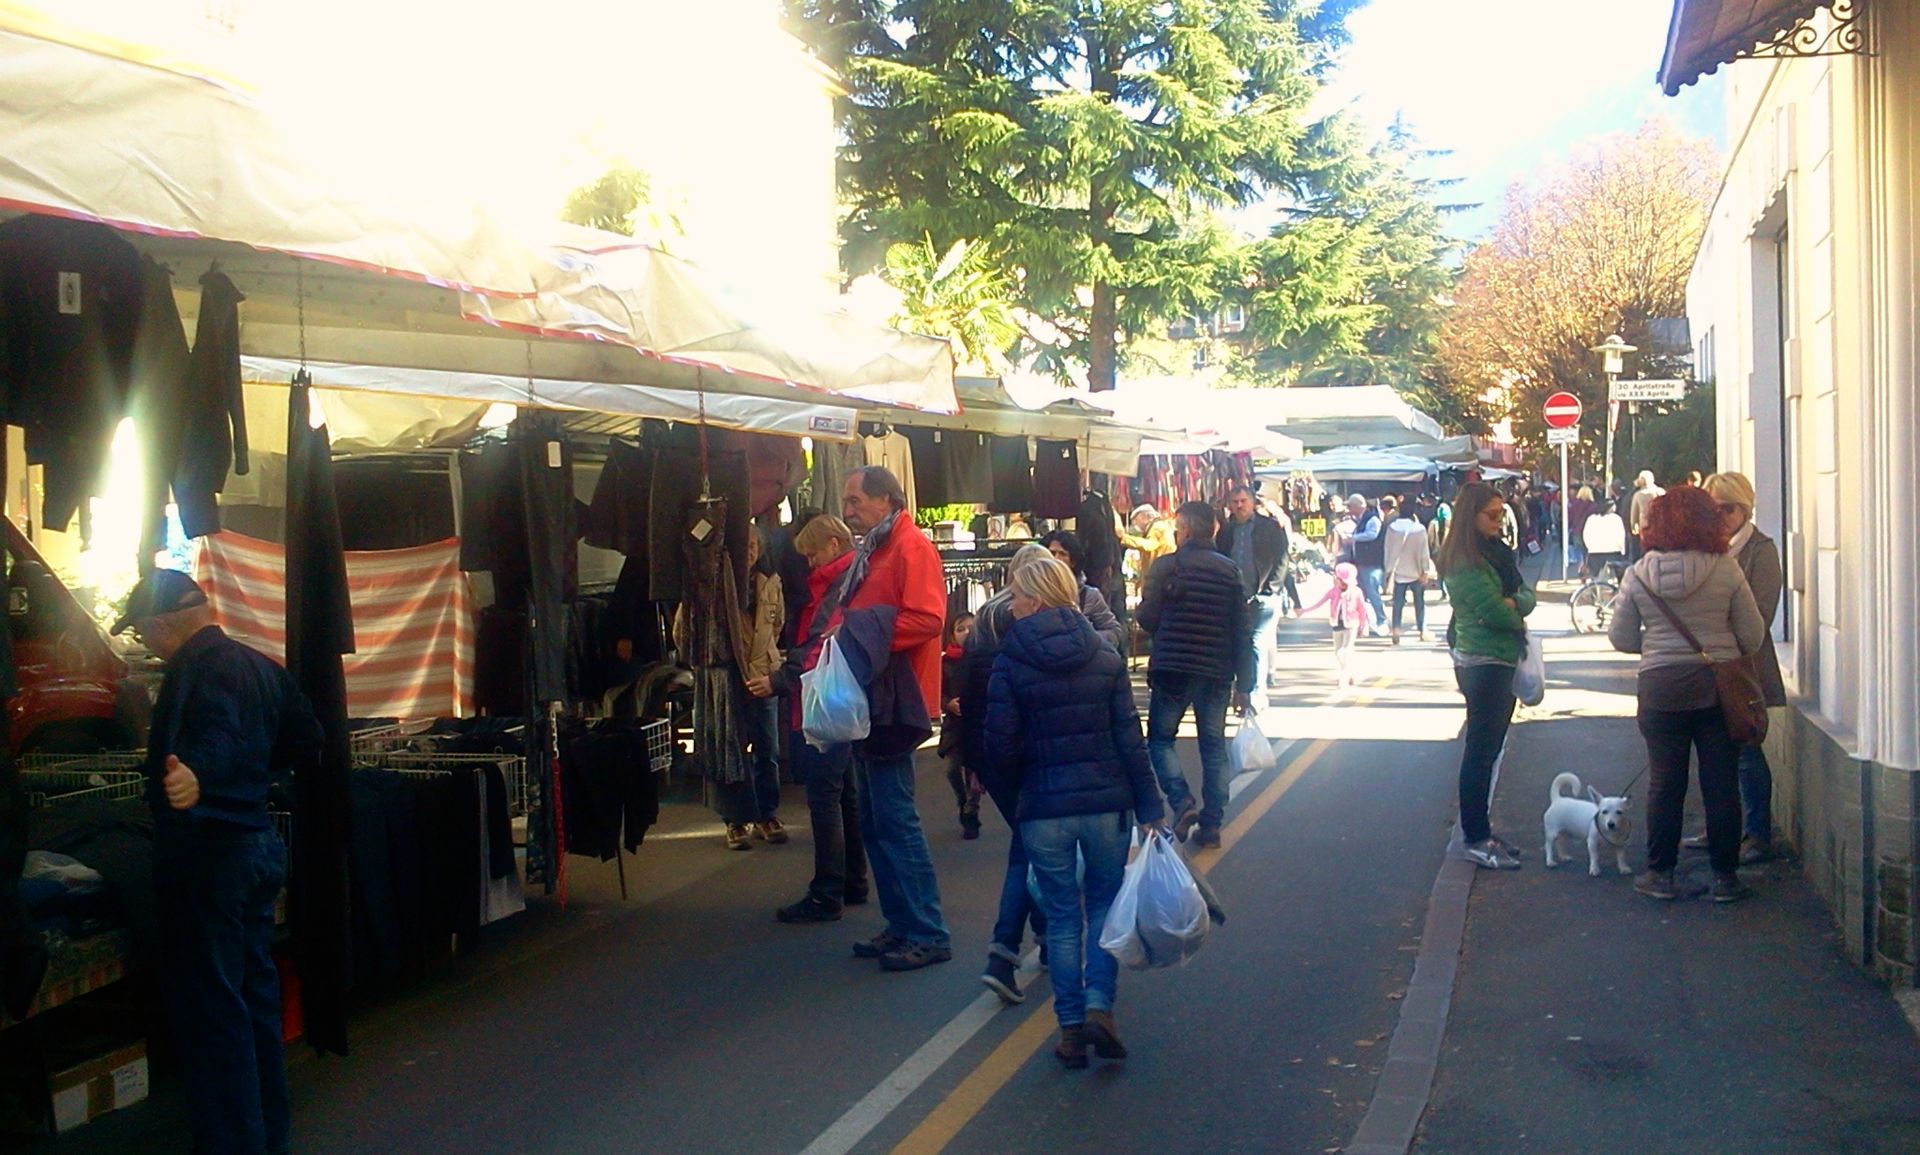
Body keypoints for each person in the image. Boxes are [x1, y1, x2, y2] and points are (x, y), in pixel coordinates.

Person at [111, 571, 322, 1155]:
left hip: (209, 855)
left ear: (158, 626)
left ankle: (234, 1144)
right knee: (252, 1001)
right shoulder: (260, 665)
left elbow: (221, 734)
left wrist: (199, 776)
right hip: (254, 844)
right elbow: (307, 739)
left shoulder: (201, 668)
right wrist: (251, 776)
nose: (147, 645)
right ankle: (265, 1133)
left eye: (143, 634)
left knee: (214, 1012)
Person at [982, 556, 1166, 1068]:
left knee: (1062, 918)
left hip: (1044, 807)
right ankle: (1099, 1008)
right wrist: (1150, 805)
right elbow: (1130, 737)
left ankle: (1068, 1030)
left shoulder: (1010, 661)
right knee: (1104, 906)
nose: (1011, 605)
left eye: (1017, 596)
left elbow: (998, 746)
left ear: (1036, 599)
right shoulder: (1104, 656)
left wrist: (1017, 797)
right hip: (1107, 803)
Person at [1608, 486, 1767, 904]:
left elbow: (1621, 637)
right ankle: (1725, 878)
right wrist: (1717, 647)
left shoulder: (1639, 574)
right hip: (1717, 690)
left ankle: (1660, 873)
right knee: (1720, 784)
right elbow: (1752, 636)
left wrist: (1659, 649)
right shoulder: (1727, 570)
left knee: (1665, 783)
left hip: (1661, 689)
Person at [835, 467, 952, 971]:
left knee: (894, 820)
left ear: (886, 499)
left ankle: (926, 931)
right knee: (876, 821)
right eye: (847, 501)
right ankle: (904, 924)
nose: (848, 509)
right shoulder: (880, 546)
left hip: (894, 701)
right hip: (875, 697)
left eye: (856, 500)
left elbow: (929, 619)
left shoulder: (910, 546)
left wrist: (857, 637)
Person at [759, 515, 869, 924]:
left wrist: (779, 680)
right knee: (845, 793)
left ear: (834, 544)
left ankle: (826, 892)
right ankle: (852, 880)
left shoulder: (837, 585)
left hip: (826, 697)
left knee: (825, 795)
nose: (808, 564)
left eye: (812, 553)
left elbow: (816, 642)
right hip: (843, 695)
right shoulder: (853, 577)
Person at [961, 544, 1054, 1002]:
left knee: (1029, 844)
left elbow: (972, 696)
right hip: (1029, 755)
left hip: (994, 752)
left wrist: (972, 758)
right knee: (1029, 848)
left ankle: (1042, 938)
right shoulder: (1029, 626)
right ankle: (1008, 951)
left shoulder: (983, 621)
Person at [1137, 501, 1253, 849]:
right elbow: (1241, 631)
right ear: (1214, 530)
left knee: (1160, 740)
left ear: (1184, 529)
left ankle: (1181, 800)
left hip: (1173, 666)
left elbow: (1147, 619)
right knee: (1213, 746)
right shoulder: (1229, 570)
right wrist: (1245, 684)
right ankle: (1212, 824)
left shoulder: (1166, 566)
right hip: (1216, 670)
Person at [1683, 472, 1785, 865]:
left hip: (1745, 667)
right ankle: (1721, 828)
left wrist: (1718, 624)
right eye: (1714, 509)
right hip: (1707, 664)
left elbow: (1761, 615)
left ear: (1744, 508)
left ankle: (1758, 834)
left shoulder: (1761, 550)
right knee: (1713, 753)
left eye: (1728, 508)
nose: (1720, 516)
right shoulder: (1706, 548)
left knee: (1746, 751)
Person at [1436, 482, 1535, 871]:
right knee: (1480, 752)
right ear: (1469, 517)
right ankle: (1475, 837)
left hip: (1499, 658)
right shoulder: (1464, 561)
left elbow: (1525, 596)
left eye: (1500, 513)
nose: (1499, 521)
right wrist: (1514, 607)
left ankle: (1482, 832)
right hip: (1482, 662)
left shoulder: (1495, 554)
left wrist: (1515, 603)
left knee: (1489, 751)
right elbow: (1499, 612)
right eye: (1491, 515)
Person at [1216, 483, 1289, 702]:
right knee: (1239, 644)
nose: (1239, 506)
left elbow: (1282, 558)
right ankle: (1243, 692)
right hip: (1235, 596)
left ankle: (1256, 696)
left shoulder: (1269, 526)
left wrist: (1271, 588)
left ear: (1252, 502)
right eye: (1235, 502)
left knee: (1256, 643)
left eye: (1243, 501)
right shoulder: (1226, 530)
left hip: (1262, 596)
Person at [738, 527, 788, 844]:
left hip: (763, 674)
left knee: (767, 750)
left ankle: (766, 815)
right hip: (730, 674)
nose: (751, 550)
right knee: (732, 750)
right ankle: (735, 818)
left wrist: (767, 655)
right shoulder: (717, 583)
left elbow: (777, 624)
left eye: (755, 544)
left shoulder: (771, 583)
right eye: (745, 544)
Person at [1039, 530, 1126, 651]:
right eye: (1052, 553)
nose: (1056, 559)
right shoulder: (1030, 593)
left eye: (1062, 554)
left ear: (1073, 561)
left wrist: (1087, 640)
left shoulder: (1089, 595)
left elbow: (1113, 630)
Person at [939, 612, 982, 839]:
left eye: (970, 628)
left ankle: (971, 812)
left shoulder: (984, 658)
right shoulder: (945, 662)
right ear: (953, 634)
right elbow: (938, 691)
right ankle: (962, 801)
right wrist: (948, 704)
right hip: (955, 727)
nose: (966, 633)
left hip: (977, 725)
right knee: (952, 769)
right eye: (961, 628)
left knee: (975, 775)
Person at [1299, 562, 1373, 688]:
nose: (1342, 583)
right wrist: (1304, 610)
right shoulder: (1333, 592)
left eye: (1344, 581)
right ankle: (1350, 673)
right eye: (1340, 580)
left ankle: (1343, 677)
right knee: (1338, 652)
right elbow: (1320, 602)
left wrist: (1363, 625)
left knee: (1345, 651)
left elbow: (1362, 610)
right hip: (1336, 624)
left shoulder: (1356, 592)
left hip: (1351, 624)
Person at [1381, 496, 1436, 643]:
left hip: (1398, 572)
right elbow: (1424, 553)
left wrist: (1388, 570)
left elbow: (1387, 549)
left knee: (1398, 603)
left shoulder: (1392, 528)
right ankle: (1422, 630)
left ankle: (1396, 631)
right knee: (1419, 603)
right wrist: (1425, 570)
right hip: (1416, 572)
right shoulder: (1419, 529)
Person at [1345, 494, 1389, 637]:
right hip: (1362, 562)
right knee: (1363, 595)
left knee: (1373, 593)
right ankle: (1366, 622)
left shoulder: (1372, 519)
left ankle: (1382, 621)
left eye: (1350, 506)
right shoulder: (1362, 520)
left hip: (1371, 563)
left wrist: (1354, 538)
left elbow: (1372, 535)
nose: (1349, 509)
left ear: (1358, 506)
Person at [1582, 499, 1628, 580]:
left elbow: (1586, 535)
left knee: (1595, 578)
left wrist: (1590, 547)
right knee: (1614, 578)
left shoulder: (1591, 519)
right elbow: (1621, 536)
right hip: (1613, 552)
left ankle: (1597, 591)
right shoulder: (1616, 519)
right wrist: (1622, 550)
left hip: (1594, 553)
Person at [1627, 470, 1664, 560]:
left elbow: (1634, 513)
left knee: (1645, 548)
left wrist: (1633, 525)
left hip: (1644, 525)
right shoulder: (1661, 492)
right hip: (1660, 525)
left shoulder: (1638, 495)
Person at [1566, 485, 1596, 573]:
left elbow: (1569, 518)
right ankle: (1587, 570)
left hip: (1576, 531)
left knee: (1579, 553)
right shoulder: (1593, 506)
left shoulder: (1574, 504)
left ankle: (1581, 569)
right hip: (1589, 532)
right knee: (1587, 553)